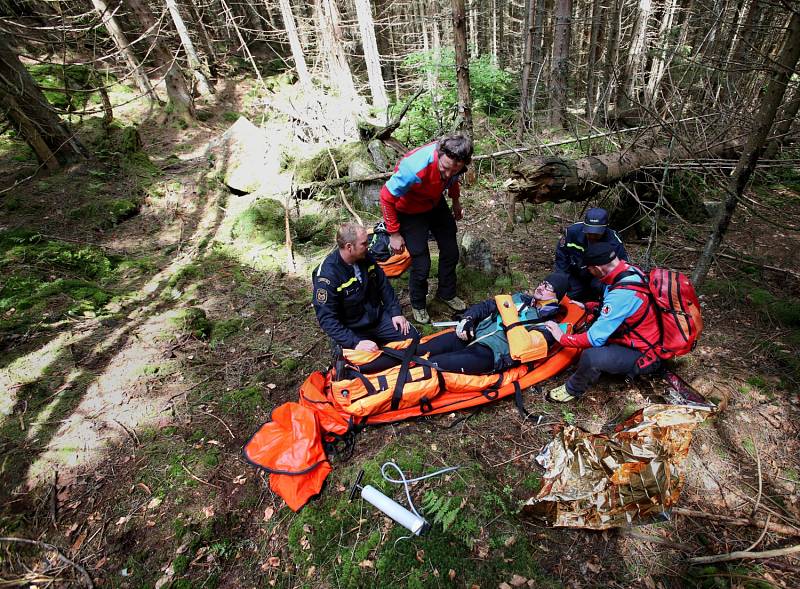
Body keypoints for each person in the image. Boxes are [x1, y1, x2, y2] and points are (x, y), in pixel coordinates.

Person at [357, 272, 570, 375]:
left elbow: (522, 349)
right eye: (542, 282)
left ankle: (368, 388)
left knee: (432, 366)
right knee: (417, 350)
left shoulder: (549, 327)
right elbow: (486, 307)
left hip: (489, 354)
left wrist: (511, 317)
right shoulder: (518, 299)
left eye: (548, 287)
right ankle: (358, 369)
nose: (541, 287)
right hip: (472, 335)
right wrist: (468, 319)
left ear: (555, 298)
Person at [543, 242, 662, 403]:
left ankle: (572, 388)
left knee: (591, 356)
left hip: (643, 352)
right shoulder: (628, 271)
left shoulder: (623, 293)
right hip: (633, 335)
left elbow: (594, 339)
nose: (590, 272)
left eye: (590, 269)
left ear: (598, 268)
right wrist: (588, 306)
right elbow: (618, 308)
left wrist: (560, 336)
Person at [380, 134, 473, 324]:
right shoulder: (413, 168)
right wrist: (394, 233)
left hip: (434, 203)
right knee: (422, 263)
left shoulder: (455, 162)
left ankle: (446, 293)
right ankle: (418, 303)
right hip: (409, 211)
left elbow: (453, 180)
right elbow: (386, 197)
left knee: (450, 250)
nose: (448, 173)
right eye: (445, 168)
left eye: (454, 169)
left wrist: (455, 201)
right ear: (439, 154)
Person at [312, 223, 415, 351]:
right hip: (352, 329)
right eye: (364, 243)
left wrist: (395, 313)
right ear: (349, 247)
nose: (369, 246)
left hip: (377, 319)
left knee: (413, 340)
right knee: (363, 365)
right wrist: (355, 342)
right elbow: (327, 319)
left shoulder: (366, 257)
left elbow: (384, 287)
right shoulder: (328, 275)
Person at [554, 207, 628, 302]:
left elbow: (621, 268)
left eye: (596, 234)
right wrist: (562, 280)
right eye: (589, 232)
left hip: (600, 278)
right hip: (576, 274)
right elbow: (561, 256)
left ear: (605, 228)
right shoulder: (572, 232)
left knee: (598, 293)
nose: (592, 236)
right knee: (565, 297)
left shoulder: (614, 243)